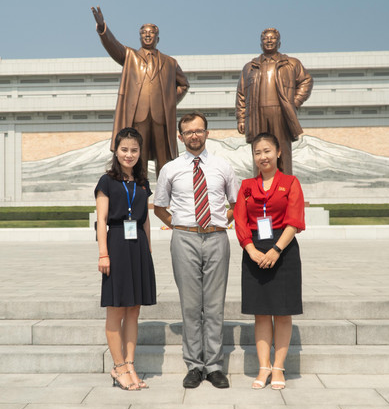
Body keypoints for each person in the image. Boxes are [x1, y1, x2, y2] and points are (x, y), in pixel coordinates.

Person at [154, 112, 240, 389]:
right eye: (188, 131)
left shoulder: (222, 166)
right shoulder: (170, 169)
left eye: (199, 130)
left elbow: (236, 203)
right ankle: (194, 364)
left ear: (207, 133)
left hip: (216, 238)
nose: (194, 135)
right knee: (191, 306)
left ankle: (214, 366)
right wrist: (180, 226)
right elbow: (159, 207)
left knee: (214, 305)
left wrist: (218, 223)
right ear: (180, 136)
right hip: (185, 239)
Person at [234, 132, 305, 390]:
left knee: (282, 313)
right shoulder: (246, 186)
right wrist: (251, 250)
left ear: (278, 152)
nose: (262, 156)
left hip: (283, 250)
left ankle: (278, 367)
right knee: (261, 313)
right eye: (257, 152)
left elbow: (294, 220)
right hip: (254, 250)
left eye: (266, 151)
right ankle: (263, 367)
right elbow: (240, 221)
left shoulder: (291, 182)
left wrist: (275, 249)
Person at [91, 6, 190, 175]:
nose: (147, 35)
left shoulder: (170, 63)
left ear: (158, 37)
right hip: (138, 115)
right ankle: (139, 192)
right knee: (138, 156)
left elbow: (184, 85)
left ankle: (165, 195)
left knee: (164, 159)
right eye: (144, 33)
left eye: (151, 33)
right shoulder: (130, 56)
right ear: (139, 37)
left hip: (161, 118)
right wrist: (102, 29)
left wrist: (169, 100)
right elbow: (112, 45)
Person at [96, 127, 156, 391]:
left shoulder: (142, 183)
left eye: (134, 150)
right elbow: (100, 221)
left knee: (134, 310)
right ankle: (118, 367)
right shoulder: (107, 181)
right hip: (117, 244)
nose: (129, 154)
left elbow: (145, 221)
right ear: (116, 150)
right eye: (124, 149)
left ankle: (130, 364)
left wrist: (149, 252)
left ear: (140, 152)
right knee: (116, 310)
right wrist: (103, 253)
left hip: (139, 248)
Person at [236, 28, 313, 175]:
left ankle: (285, 188)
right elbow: (241, 94)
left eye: (272, 38)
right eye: (266, 38)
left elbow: (306, 81)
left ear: (279, 43)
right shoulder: (249, 67)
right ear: (261, 43)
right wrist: (241, 118)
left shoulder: (291, 63)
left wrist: (294, 102)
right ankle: (260, 187)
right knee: (260, 151)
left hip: (281, 113)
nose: (269, 41)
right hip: (256, 115)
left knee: (282, 151)